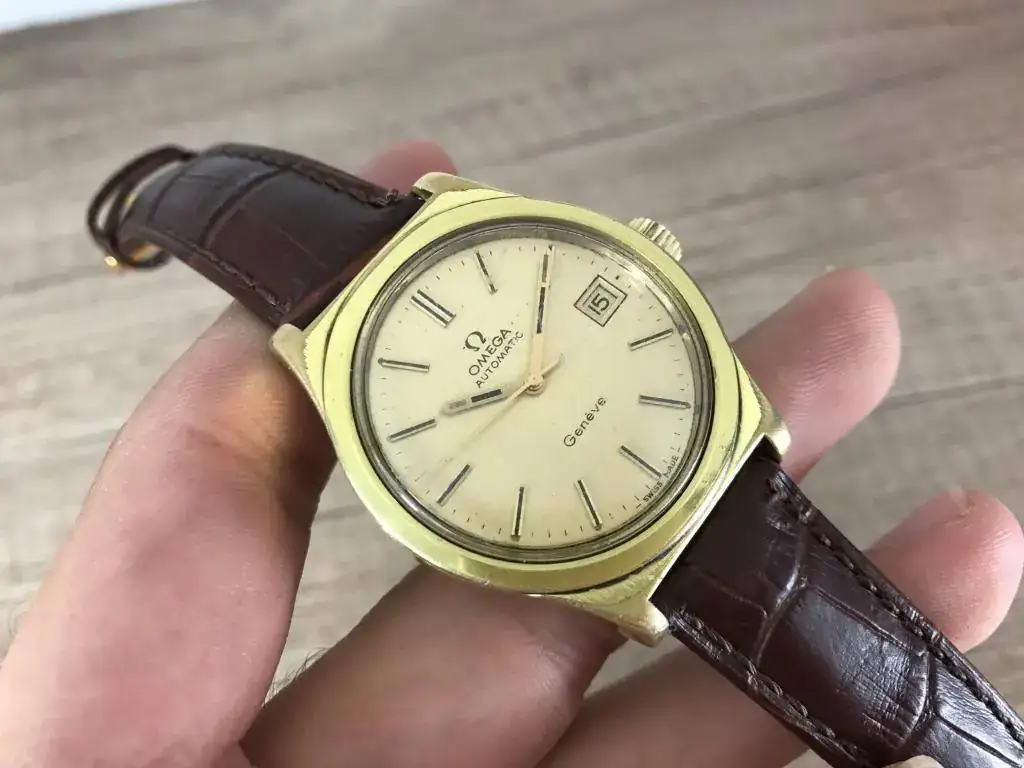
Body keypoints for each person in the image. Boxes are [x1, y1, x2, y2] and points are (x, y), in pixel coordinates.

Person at [0, 142, 1019, 768]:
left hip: (706, 451)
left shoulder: (458, 217)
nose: (524, 384)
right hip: (620, 540)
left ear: (638, 252)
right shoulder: (334, 358)